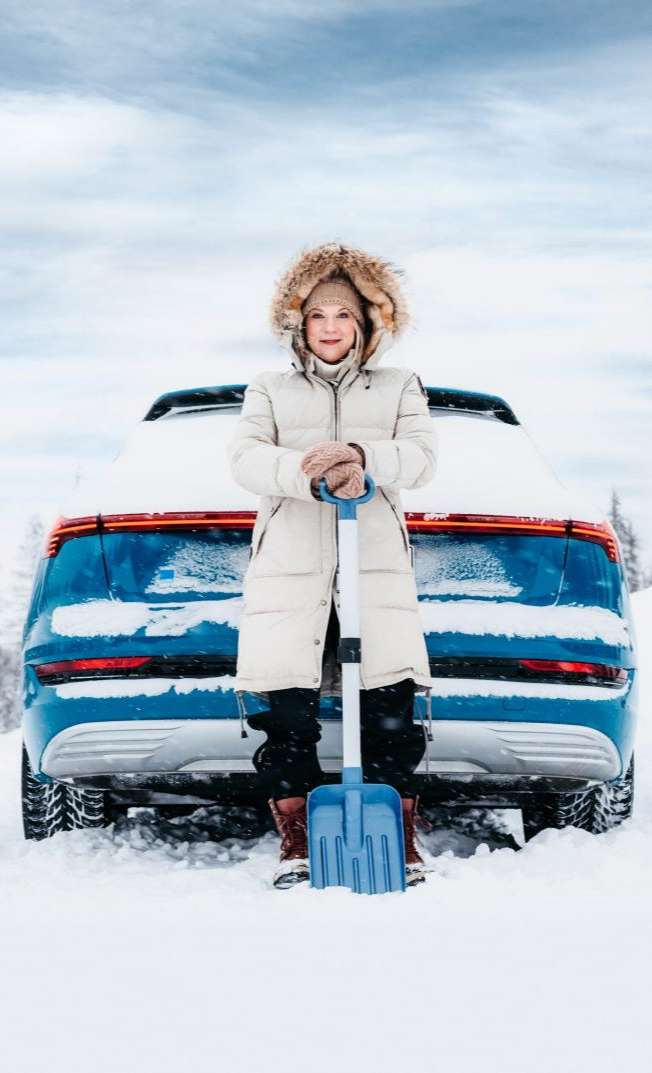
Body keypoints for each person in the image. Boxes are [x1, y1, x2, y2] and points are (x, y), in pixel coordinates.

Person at [228, 242, 437, 888]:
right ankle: (296, 833)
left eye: (342, 315)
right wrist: (306, 471)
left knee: (388, 704)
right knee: (286, 710)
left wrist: (361, 458)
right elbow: (244, 457)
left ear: (367, 323)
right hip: (292, 569)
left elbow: (421, 455)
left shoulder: (399, 386)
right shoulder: (269, 388)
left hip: (371, 567)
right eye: (316, 315)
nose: (328, 327)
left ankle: (394, 833)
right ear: (297, 323)